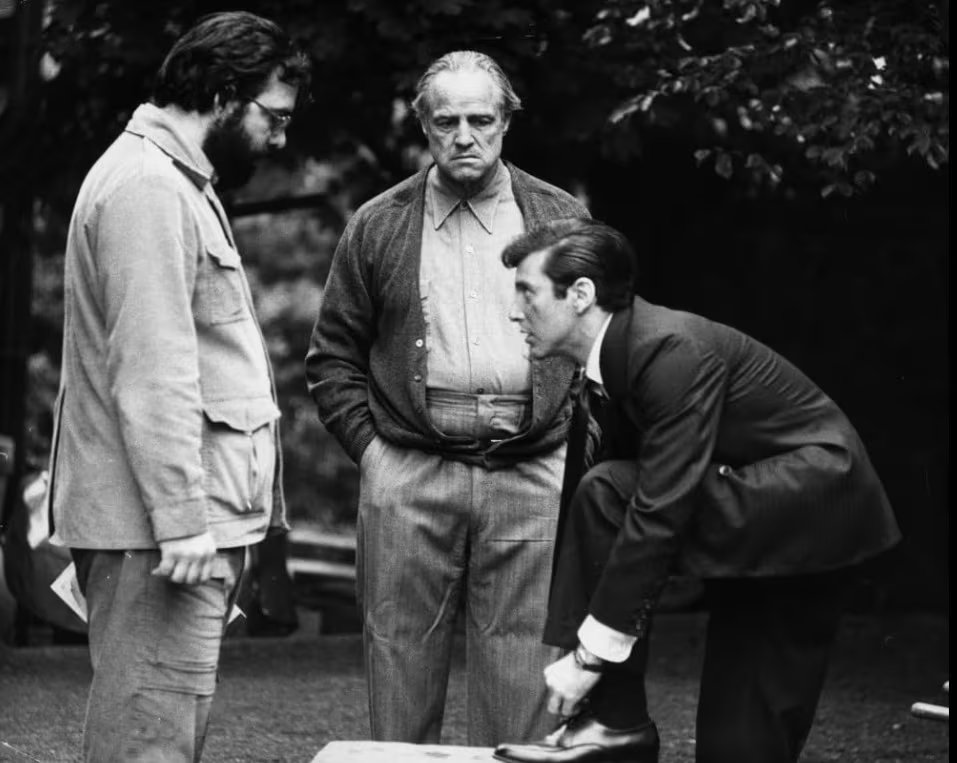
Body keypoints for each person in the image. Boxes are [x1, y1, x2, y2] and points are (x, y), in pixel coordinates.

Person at [493, 219, 902, 763]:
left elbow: (660, 508)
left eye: (527, 292)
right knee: (733, 740)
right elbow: (588, 519)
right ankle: (613, 724)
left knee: (611, 493)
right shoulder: (611, 362)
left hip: (808, 504)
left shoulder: (669, 351)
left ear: (581, 295)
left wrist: (589, 659)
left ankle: (618, 726)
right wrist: (578, 643)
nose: (515, 311)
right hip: (757, 509)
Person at [46, 12, 310, 760]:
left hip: (169, 528)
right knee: (149, 742)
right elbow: (152, 369)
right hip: (159, 536)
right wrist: (183, 521)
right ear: (224, 93)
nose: (280, 139)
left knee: (166, 732)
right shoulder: (149, 188)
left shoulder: (175, 180)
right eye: (273, 116)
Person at [305, 51, 589, 745]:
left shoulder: (560, 216)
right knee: (399, 649)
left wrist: (574, 451)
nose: (464, 135)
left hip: (532, 464)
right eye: (447, 120)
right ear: (424, 127)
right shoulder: (378, 223)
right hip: (409, 465)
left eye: (481, 119)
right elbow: (332, 355)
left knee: (525, 659)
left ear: (506, 122)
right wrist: (376, 457)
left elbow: (600, 343)